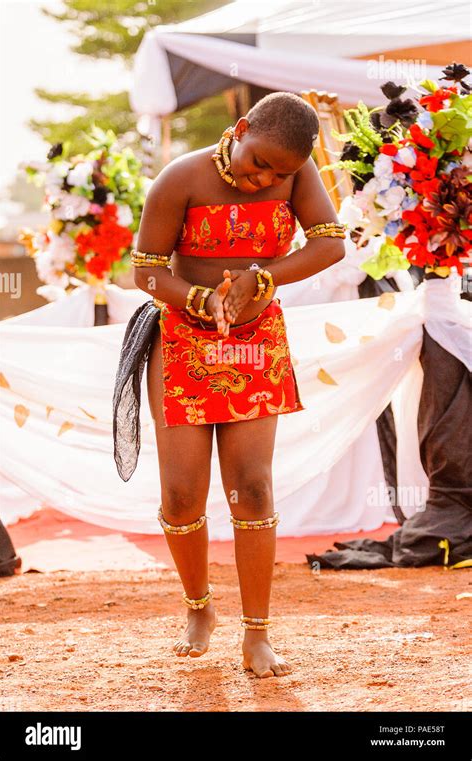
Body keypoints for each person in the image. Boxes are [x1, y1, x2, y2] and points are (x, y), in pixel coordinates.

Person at [132, 92, 345, 678]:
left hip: (256, 346)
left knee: (251, 488)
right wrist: (200, 297)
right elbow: (145, 268)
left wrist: (261, 279)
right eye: (259, 164)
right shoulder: (179, 179)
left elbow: (330, 242)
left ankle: (258, 633)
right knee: (181, 497)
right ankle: (199, 608)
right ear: (241, 128)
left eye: (279, 172)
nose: (265, 180)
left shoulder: (295, 173)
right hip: (183, 342)